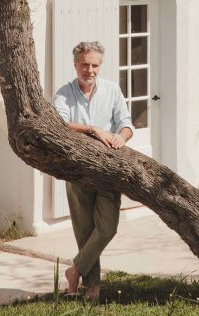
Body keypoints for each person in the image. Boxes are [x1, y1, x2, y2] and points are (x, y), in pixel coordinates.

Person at [53, 41, 134, 298]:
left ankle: (74, 270)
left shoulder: (111, 90)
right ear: (75, 64)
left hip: (108, 171)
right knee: (85, 231)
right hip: (76, 171)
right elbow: (59, 124)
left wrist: (121, 137)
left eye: (95, 65)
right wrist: (92, 129)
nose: (90, 70)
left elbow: (126, 124)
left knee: (107, 228)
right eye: (85, 65)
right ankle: (93, 289)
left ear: (100, 66)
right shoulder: (64, 93)